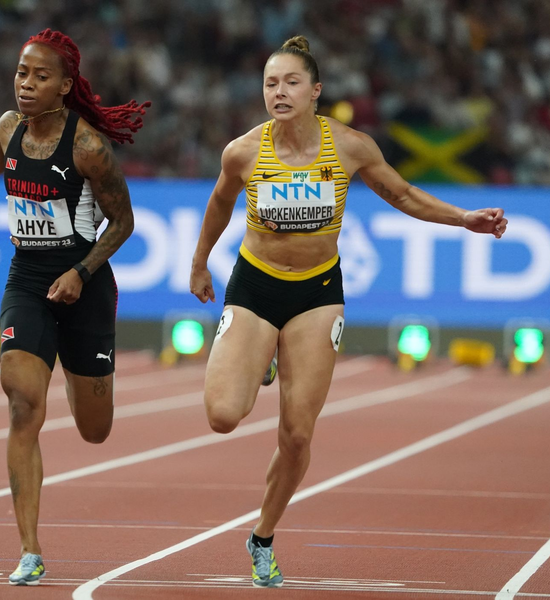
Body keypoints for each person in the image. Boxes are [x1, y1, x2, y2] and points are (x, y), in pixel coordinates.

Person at [189, 35, 506, 588]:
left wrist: (463, 218)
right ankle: (260, 353)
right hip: (255, 285)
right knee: (221, 415)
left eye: (291, 83)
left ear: (316, 91)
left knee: (297, 436)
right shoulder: (243, 151)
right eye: (270, 83)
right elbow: (220, 202)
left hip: (317, 293)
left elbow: (403, 194)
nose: (279, 92)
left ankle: (262, 535)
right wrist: (199, 265)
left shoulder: (351, 146)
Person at [0, 28, 149, 586]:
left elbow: (123, 222)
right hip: (26, 281)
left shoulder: (88, 147)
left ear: (65, 86)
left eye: (40, 76)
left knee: (94, 431)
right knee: (23, 404)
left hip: (85, 288)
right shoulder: (8, 129)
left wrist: (81, 271)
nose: (26, 85)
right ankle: (30, 550)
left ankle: (77, 371)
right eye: (22, 73)